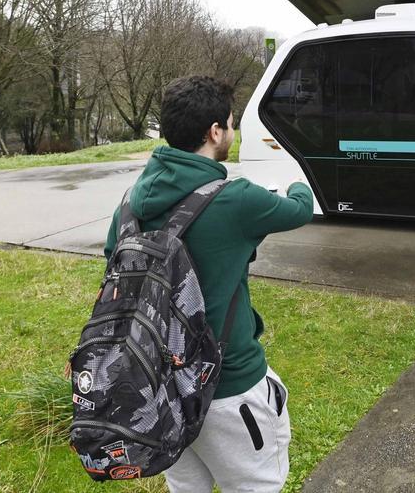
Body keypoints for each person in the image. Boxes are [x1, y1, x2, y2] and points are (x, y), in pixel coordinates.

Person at [103, 76, 314, 493]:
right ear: (215, 131)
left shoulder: (129, 203)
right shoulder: (236, 199)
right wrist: (296, 182)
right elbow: (299, 209)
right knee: (255, 486)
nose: (232, 133)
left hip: (157, 387)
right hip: (228, 386)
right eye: (231, 125)